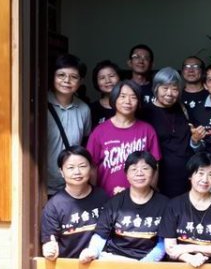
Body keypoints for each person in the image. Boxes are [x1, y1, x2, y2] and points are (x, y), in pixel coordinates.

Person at [78, 151, 168, 263]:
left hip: (149, 263)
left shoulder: (165, 205)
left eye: (145, 168)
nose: (139, 173)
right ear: (126, 174)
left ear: (154, 172)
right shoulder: (115, 202)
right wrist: (92, 251)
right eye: (134, 169)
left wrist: (145, 264)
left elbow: (163, 243)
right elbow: (101, 235)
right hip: (116, 259)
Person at [87, 80, 161, 197]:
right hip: (107, 199)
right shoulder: (99, 131)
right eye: (122, 96)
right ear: (114, 99)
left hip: (140, 199)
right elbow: (92, 167)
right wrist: (94, 197)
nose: (128, 101)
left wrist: (149, 195)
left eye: (133, 97)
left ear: (139, 102)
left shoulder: (147, 130)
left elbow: (154, 165)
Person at [159, 153, 211, 267]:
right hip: (180, 267)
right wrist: (190, 258)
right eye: (200, 173)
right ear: (190, 175)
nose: (205, 179)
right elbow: (170, 247)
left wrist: (190, 248)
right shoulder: (174, 205)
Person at [141, 67, 205, 198]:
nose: (170, 93)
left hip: (186, 176)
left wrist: (195, 140)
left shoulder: (184, 109)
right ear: (155, 88)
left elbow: (196, 145)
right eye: (165, 88)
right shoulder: (145, 113)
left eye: (175, 89)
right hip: (160, 179)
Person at [41, 146, 108, 260]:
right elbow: (49, 241)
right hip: (69, 267)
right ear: (61, 172)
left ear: (91, 168)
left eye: (82, 166)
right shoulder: (54, 205)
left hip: (99, 267)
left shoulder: (103, 198)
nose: (77, 172)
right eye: (70, 168)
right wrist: (49, 250)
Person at [47, 54, 92, 196]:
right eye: (61, 75)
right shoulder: (38, 106)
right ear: (52, 76)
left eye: (73, 77)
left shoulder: (84, 109)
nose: (67, 80)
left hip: (72, 185)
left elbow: (84, 143)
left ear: (80, 81)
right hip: (41, 183)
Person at [89, 60, 121, 130]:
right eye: (102, 78)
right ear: (96, 83)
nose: (108, 81)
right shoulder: (91, 109)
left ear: (120, 78)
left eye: (111, 76)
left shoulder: (129, 105)